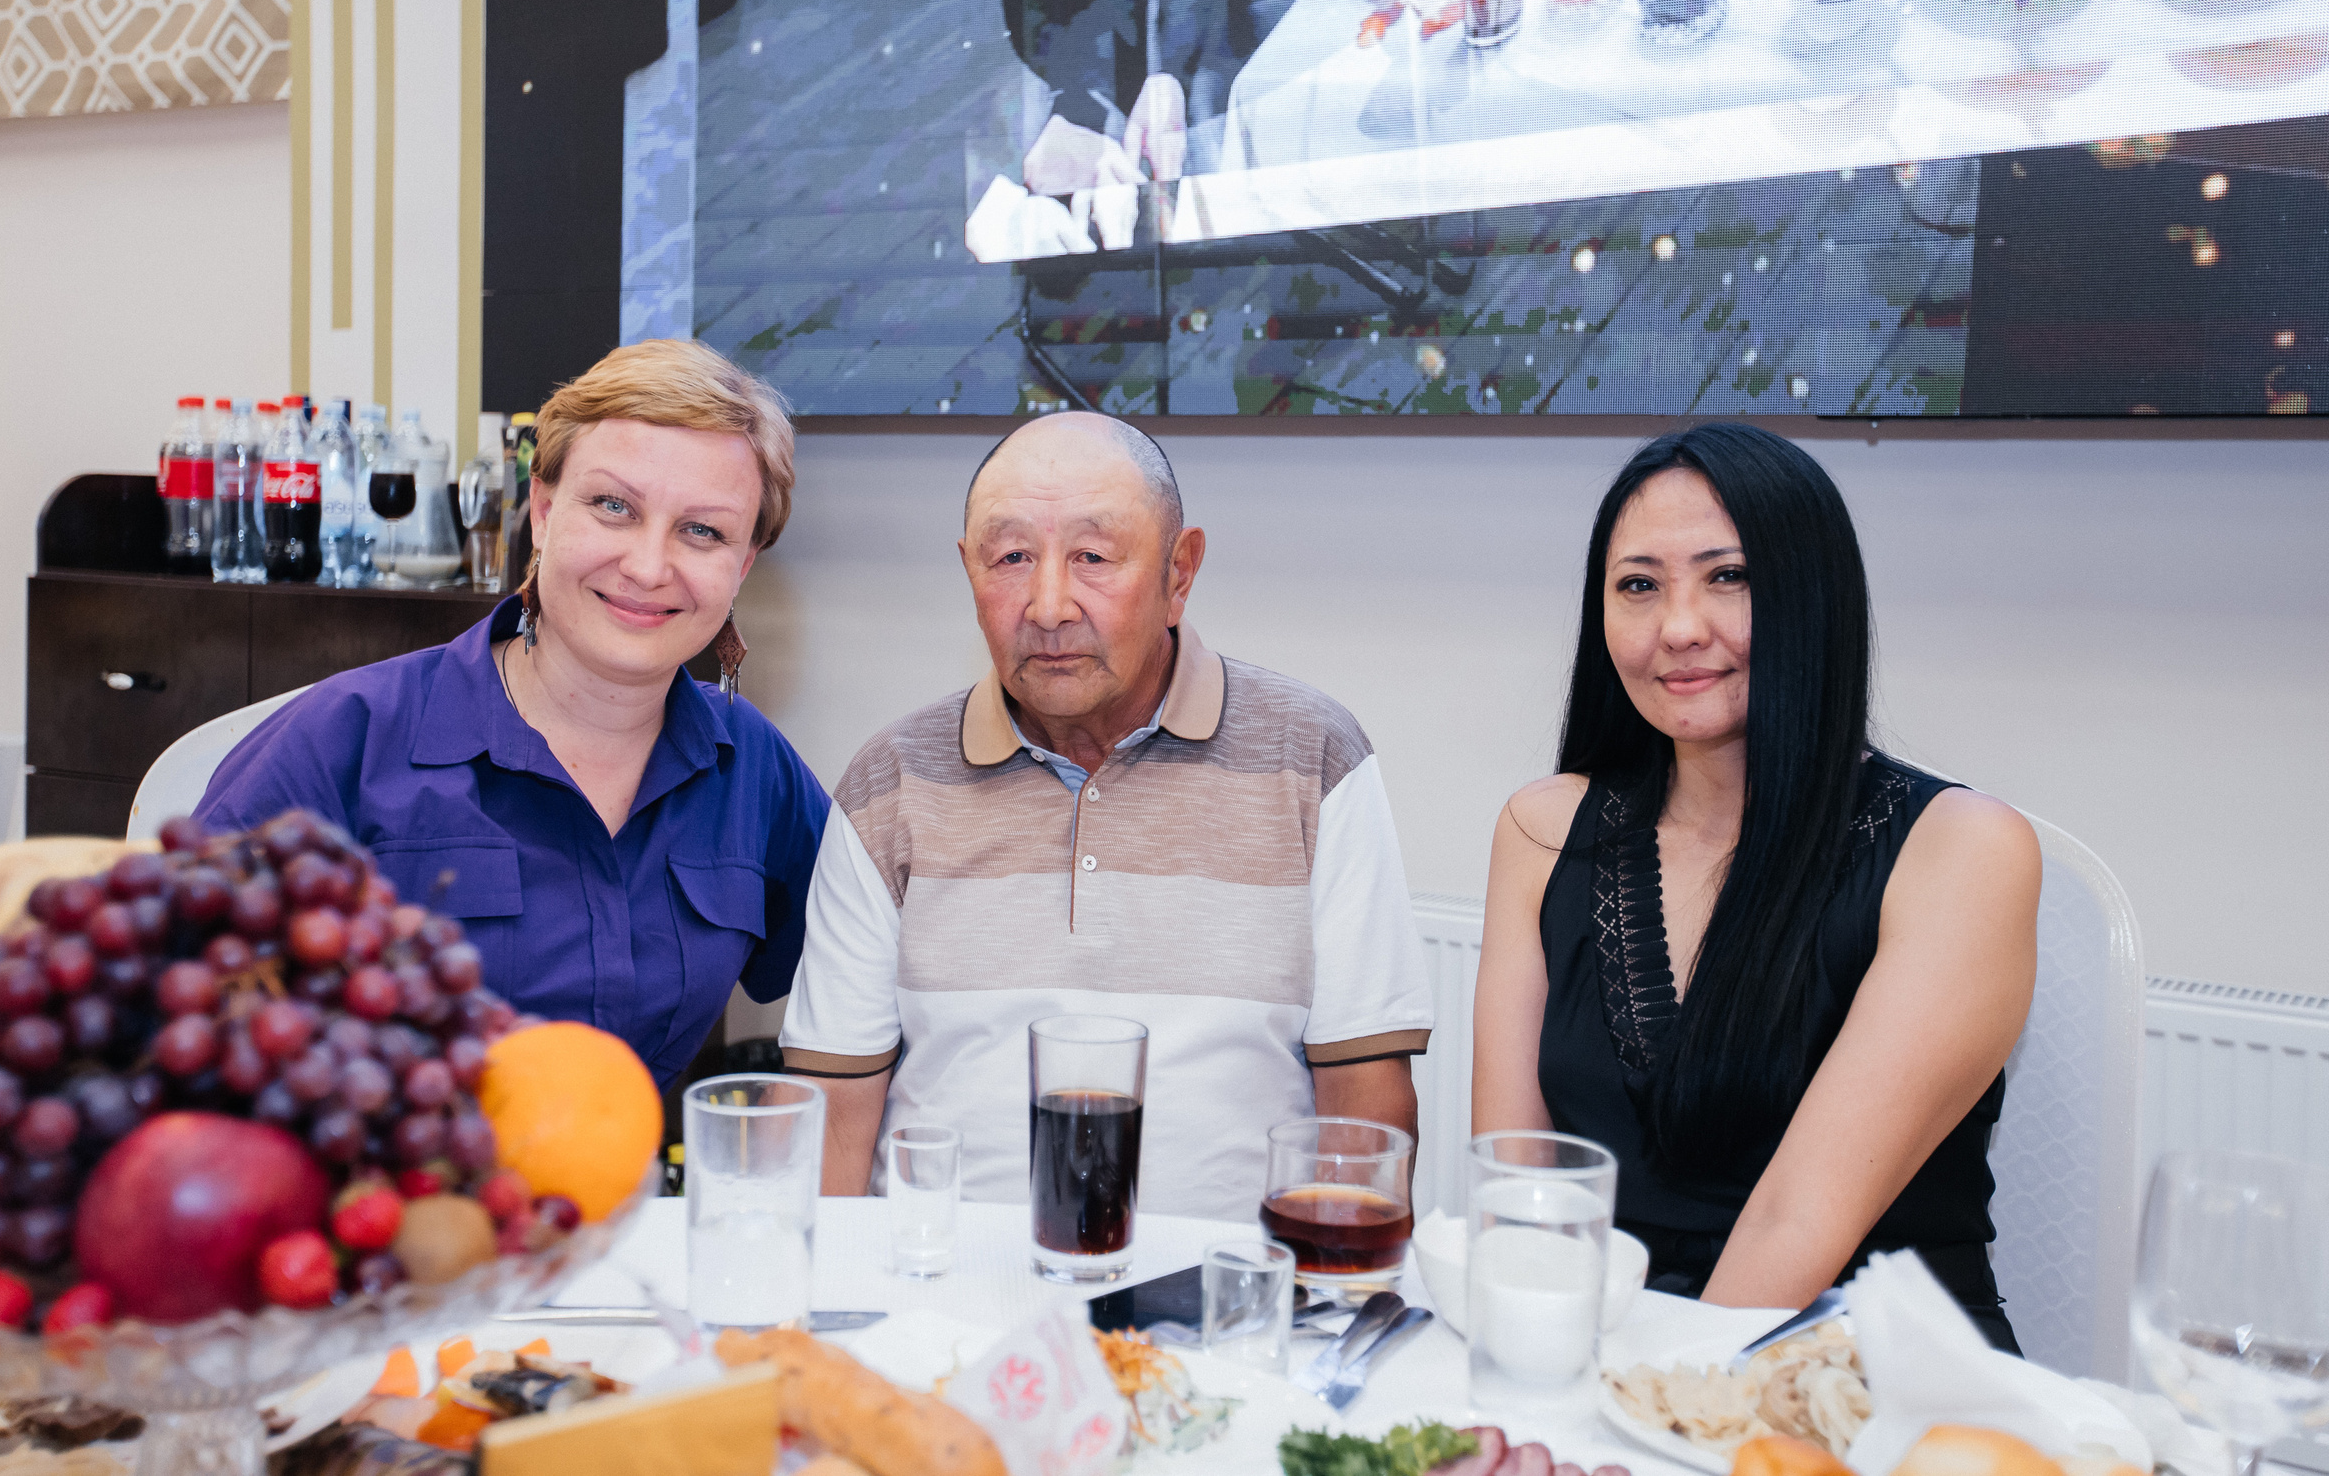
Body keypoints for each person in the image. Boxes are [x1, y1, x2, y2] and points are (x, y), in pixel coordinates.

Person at [779, 411, 1433, 1220]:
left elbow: (1364, 1106)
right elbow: (834, 1117)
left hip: (1228, 1295)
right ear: (968, 571)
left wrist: (1326, 1311)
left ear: (1179, 572)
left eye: (1093, 556)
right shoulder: (891, 779)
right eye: (1011, 557)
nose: (1049, 605)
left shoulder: (1315, 757)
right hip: (946, 1299)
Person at [1470, 423, 2039, 1349]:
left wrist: (1653, 1414)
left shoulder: (1963, 849)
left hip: (1866, 1379)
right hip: (1602, 1362)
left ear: (1813, 597)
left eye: (1727, 576)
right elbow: (1523, 1195)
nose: (1680, 626)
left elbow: (1792, 1224)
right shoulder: (1540, 831)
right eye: (1639, 585)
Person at [195, 342, 830, 1091]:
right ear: (545, 507)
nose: (649, 567)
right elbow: (177, 1006)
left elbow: (873, 985)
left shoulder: (753, 768)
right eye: (614, 506)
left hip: (621, 1198)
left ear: (742, 565)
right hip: (378, 1198)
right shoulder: (345, 737)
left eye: (703, 531)